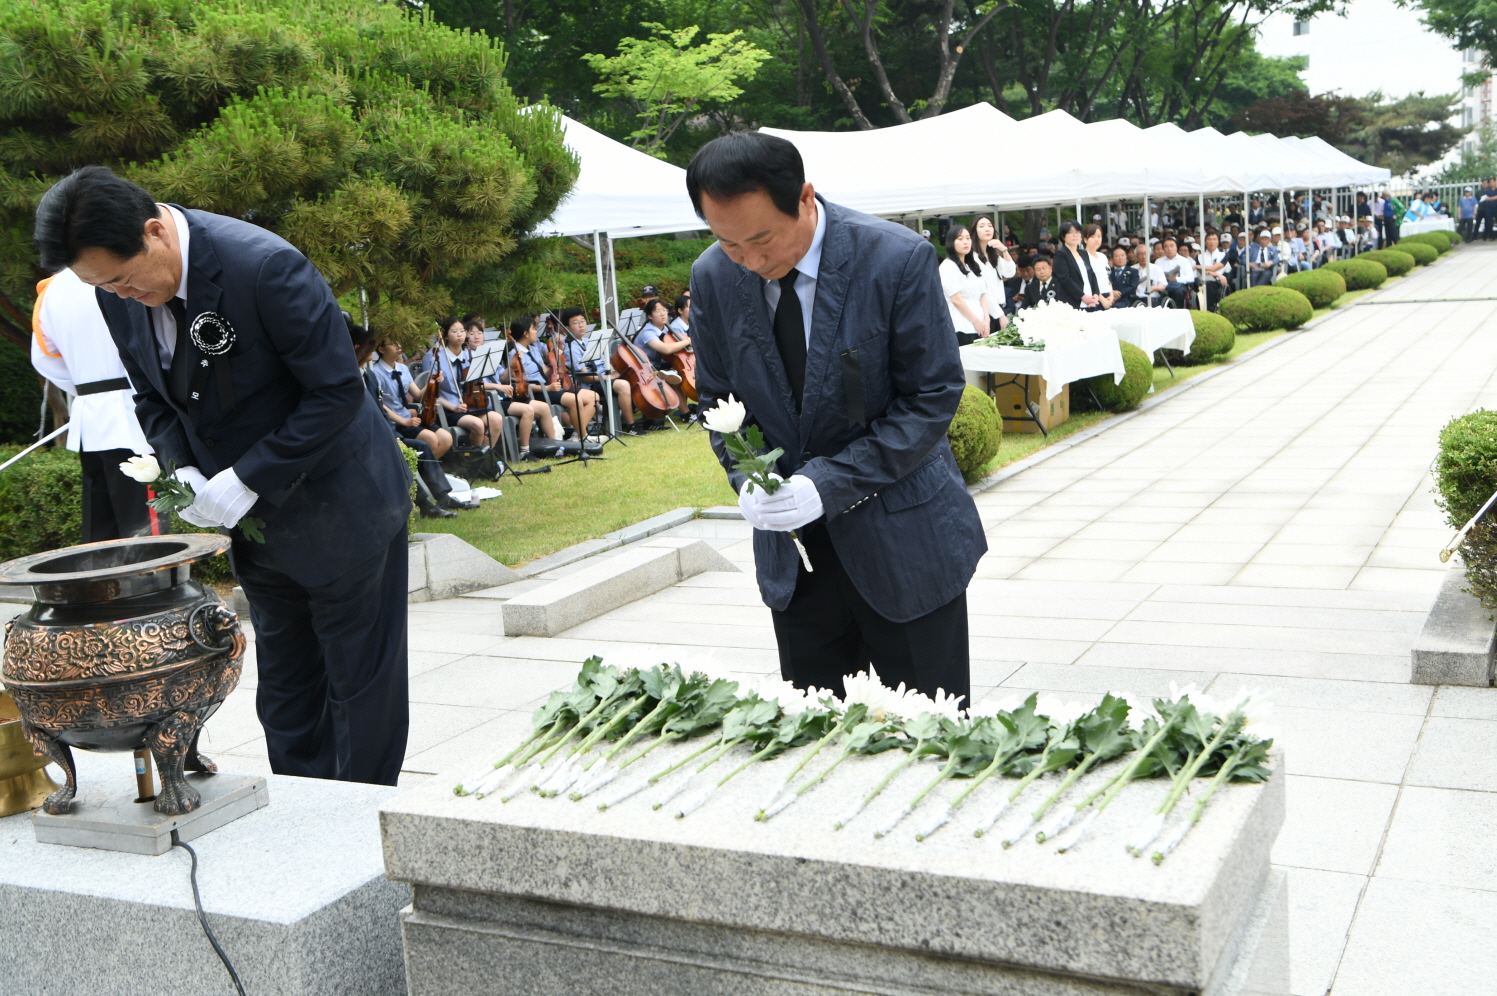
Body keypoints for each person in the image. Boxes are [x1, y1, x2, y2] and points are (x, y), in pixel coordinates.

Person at [39, 165, 411, 786]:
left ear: (155, 232)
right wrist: (180, 465)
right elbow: (152, 398)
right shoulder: (115, 289)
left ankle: (363, 827)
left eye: (124, 278)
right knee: (287, 689)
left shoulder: (263, 266)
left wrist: (247, 476)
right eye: (104, 285)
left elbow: (336, 392)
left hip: (341, 506)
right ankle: (299, 806)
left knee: (359, 685)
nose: (120, 294)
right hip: (253, 526)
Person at [686, 131, 984, 704]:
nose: (750, 261)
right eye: (728, 243)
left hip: (904, 542)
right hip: (796, 561)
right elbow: (719, 400)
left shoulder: (894, 258)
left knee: (930, 735)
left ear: (804, 198)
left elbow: (931, 397)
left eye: (762, 239)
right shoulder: (715, 277)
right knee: (817, 738)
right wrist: (748, 477)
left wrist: (826, 484)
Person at [30, 266, 162, 541]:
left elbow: (44, 360)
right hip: (134, 415)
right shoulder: (127, 272)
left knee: (100, 531)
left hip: (88, 419)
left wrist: (87, 392)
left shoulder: (52, 289)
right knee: (148, 533)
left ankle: (102, 585)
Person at [559, 306, 644, 437]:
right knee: (623, 385)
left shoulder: (590, 341)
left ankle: (647, 417)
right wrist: (610, 377)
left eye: (582, 321)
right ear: (567, 328)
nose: (581, 325)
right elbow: (586, 377)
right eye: (575, 323)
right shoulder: (570, 347)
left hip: (604, 376)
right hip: (593, 383)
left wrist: (615, 369)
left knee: (633, 376)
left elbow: (604, 361)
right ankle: (631, 425)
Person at [512, 314, 599, 439]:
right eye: (534, 329)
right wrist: (548, 388)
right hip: (537, 391)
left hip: (548, 386)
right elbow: (520, 384)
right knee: (575, 400)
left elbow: (544, 371)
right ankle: (583, 436)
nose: (536, 332)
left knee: (594, 397)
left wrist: (555, 362)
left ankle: (577, 434)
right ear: (526, 333)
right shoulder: (515, 354)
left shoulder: (533, 349)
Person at [633, 298, 694, 419]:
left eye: (664, 310)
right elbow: (666, 349)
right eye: (658, 311)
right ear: (650, 316)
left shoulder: (666, 329)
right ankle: (686, 414)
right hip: (645, 369)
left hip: (659, 365)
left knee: (677, 374)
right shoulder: (647, 332)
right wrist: (688, 341)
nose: (663, 314)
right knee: (674, 378)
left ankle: (686, 413)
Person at [938, 225, 988, 342]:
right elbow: (956, 299)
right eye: (960, 239)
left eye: (968, 238)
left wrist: (986, 320)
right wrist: (976, 322)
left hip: (980, 327)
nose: (965, 242)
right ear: (951, 242)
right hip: (961, 327)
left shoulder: (972, 265)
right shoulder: (948, 266)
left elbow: (982, 295)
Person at [973, 216, 1014, 331]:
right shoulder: (972, 257)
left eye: (990, 226)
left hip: (1000, 309)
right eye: (982, 226)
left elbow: (1010, 272)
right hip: (985, 313)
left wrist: (1004, 250)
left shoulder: (993, 255)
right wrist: (1000, 315)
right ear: (975, 231)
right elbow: (983, 291)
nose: (987, 229)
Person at [1149, 237, 1194, 307]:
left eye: (1171, 246)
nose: (1169, 249)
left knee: (1179, 292)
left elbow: (1191, 278)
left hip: (1179, 285)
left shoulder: (1184, 260)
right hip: (1164, 285)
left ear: (1176, 247)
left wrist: (1176, 279)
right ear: (1163, 249)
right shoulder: (1158, 261)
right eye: (1166, 247)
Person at [1082, 224, 1116, 309]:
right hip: (1094, 298)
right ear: (1085, 239)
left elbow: (1108, 277)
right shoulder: (1083, 257)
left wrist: (1111, 295)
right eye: (1092, 236)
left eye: (1099, 236)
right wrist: (1102, 299)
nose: (1096, 239)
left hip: (1107, 295)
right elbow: (1088, 281)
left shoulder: (1102, 256)